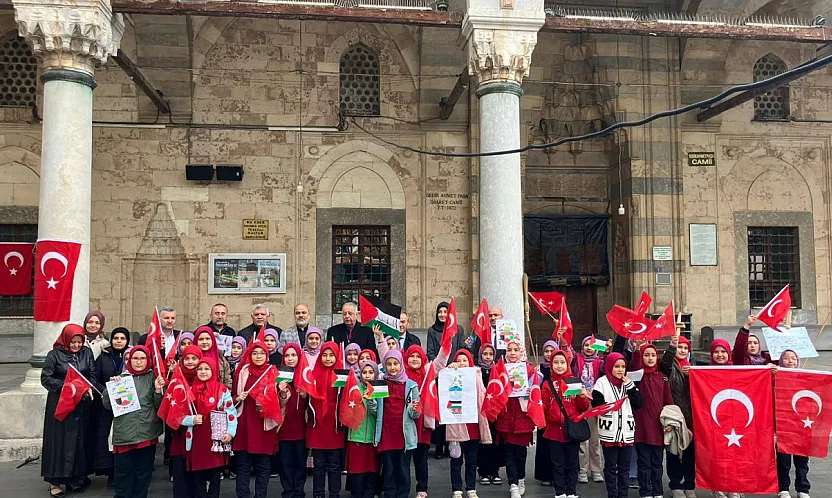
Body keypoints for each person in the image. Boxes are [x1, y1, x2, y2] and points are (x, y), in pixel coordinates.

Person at [42, 324, 99, 496]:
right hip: (61, 405)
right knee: (59, 442)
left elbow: (92, 374)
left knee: (79, 441)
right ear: (66, 340)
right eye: (73, 342)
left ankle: (76, 477)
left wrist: (85, 387)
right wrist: (67, 387)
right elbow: (46, 378)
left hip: (81, 404)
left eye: (79, 342)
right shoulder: (54, 355)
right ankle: (55, 480)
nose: (76, 345)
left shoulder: (86, 353)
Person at [102, 345, 165, 498]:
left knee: (142, 477)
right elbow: (107, 405)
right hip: (124, 436)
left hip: (147, 434)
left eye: (142, 358)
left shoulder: (153, 378)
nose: (139, 362)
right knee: (123, 478)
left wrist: (158, 390)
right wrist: (110, 388)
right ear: (129, 360)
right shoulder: (122, 379)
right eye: (135, 358)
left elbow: (160, 407)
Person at [233, 340, 283, 498]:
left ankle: (260, 495)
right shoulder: (242, 371)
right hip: (244, 425)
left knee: (263, 466)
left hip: (264, 425)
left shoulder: (273, 372)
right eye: (255, 353)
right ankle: (243, 495)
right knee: (243, 465)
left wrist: (279, 393)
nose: (258, 356)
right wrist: (237, 397)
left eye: (262, 353)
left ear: (267, 356)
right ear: (250, 355)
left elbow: (281, 400)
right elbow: (231, 397)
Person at [182, 357, 238, 498]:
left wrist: (230, 433)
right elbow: (179, 414)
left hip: (214, 439)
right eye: (200, 369)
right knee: (198, 475)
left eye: (207, 369)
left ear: (213, 371)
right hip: (197, 439)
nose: (203, 371)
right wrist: (191, 419)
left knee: (214, 475)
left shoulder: (222, 390)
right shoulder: (189, 390)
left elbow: (231, 413)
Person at [541, 349, 592, 498]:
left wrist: (583, 397)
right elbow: (543, 406)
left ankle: (571, 491)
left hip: (572, 430)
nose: (559, 366)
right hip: (554, 431)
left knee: (572, 463)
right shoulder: (547, 384)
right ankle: (560, 492)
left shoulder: (574, 381)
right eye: (555, 362)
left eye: (562, 362)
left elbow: (582, 408)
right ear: (551, 365)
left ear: (568, 364)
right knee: (557, 464)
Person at [592, 352, 643, 498]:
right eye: (616, 366)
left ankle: (623, 494)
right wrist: (609, 406)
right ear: (609, 367)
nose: (620, 370)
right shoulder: (601, 383)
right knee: (610, 467)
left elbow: (638, 403)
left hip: (626, 432)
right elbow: (596, 404)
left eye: (623, 367)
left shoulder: (629, 383)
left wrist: (631, 387)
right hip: (609, 432)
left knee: (624, 468)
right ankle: (612, 494)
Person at [444, 349, 492, 498]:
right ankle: (456, 489)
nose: (462, 363)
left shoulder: (476, 376)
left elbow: (482, 395)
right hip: (456, 426)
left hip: (473, 427)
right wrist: (448, 371)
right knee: (456, 460)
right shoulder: (449, 375)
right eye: (459, 360)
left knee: (472, 460)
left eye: (465, 360)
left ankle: (471, 488)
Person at [631, 343, 674, 498]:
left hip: (658, 427)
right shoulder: (636, 377)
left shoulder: (662, 377)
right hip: (641, 426)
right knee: (644, 464)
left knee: (657, 463)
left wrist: (669, 421)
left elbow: (668, 402)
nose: (650, 358)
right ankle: (646, 492)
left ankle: (658, 491)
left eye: (653, 355)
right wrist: (636, 349)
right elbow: (634, 363)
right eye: (646, 355)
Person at [376, 349, 420, 498]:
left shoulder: (411, 386)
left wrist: (414, 409)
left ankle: (402, 494)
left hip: (403, 435)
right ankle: (389, 494)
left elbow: (415, 414)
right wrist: (370, 402)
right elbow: (376, 409)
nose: (393, 367)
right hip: (387, 433)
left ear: (401, 364)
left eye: (395, 364)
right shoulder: (381, 384)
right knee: (389, 469)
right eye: (389, 364)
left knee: (403, 468)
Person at [495, 340, 537, 498]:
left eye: (516, 350)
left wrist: (528, 391)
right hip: (506, 418)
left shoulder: (529, 370)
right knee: (508, 454)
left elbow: (535, 392)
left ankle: (520, 479)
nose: (512, 353)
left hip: (522, 419)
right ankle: (513, 484)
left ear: (522, 352)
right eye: (509, 350)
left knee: (520, 453)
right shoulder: (500, 369)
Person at [92, 327, 131, 485]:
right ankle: (110, 472)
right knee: (107, 436)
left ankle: (124, 471)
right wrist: (107, 390)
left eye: (122, 338)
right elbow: (94, 377)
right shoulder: (103, 357)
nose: (119, 341)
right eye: (116, 338)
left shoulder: (132, 356)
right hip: (107, 404)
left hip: (127, 405)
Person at [307, 342, 345, 498]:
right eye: (325, 355)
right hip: (318, 426)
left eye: (331, 355)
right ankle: (318, 494)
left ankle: (334, 494)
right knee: (318, 465)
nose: (328, 359)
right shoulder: (312, 374)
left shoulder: (342, 375)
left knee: (335, 465)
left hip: (334, 426)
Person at [661, 331, 695, 498]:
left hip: (691, 418)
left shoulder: (692, 367)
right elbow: (665, 364)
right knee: (673, 452)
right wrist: (671, 347)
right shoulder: (669, 366)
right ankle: (675, 485)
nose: (682, 350)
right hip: (675, 416)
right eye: (680, 347)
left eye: (685, 348)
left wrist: (693, 376)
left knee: (690, 455)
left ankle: (689, 485)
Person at [169, 345, 203, 498]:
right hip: (180, 436)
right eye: (187, 358)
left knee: (199, 480)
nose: (190, 362)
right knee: (181, 478)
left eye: (194, 359)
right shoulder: (176, 378)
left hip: (200, 435)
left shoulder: (205, 377)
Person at [776, 350, 810, 498]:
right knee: (783, 461)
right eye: (786, 358)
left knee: (802, 461)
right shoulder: (776, 378)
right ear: (780, 360)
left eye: (794, 358)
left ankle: (802, 489)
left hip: (801, 427)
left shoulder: (806, 379)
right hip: (783, 426)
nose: (790, 361)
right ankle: (783, 488)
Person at [278, 343, 308, 498]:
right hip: (283, 428)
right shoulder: (278, 375)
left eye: (293, 355)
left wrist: (305, 396)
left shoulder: (305, 375)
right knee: (285, 463)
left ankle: (299, 491)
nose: (290, 359)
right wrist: (278, 390)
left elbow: (313, 402)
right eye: (287, 355)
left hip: (301, 428)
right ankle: (288, 491)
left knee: (300, 463)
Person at [346, 361, 380, 498]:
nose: (367, 376)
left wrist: (371, 401)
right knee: (357, 472)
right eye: (364, 372)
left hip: (372, 438)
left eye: (371, 373)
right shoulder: (354, 388)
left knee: (371, 471)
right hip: (356, 437)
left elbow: (379, 413)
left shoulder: (379, 390)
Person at [403, 345, 434, 498]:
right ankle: (404, 487)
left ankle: (422, 488)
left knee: (421, 460)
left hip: (422, 425)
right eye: (411, 356)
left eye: (417, 356)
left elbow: (440, 361)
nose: (414, 359)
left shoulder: (428, 373)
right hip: (407, 423)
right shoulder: (401, 375)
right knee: (404, 460)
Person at [575, 335, 604, 484]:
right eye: (586, 345)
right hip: (580, 401)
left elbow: (609, 368)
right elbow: (566, 351)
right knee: (582, 439)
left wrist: (605, 349)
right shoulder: (576, 359)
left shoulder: (600, 362)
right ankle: (582, 470)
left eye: (592, 345)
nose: (588, 348)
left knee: (594, 438)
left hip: (594, 402)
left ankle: (596, 469)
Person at [476, 343, 504, 486]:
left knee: (495, 441)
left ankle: (495, 471)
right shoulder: (476, 371)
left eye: (490, 354)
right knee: (483, 442)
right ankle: (483, 471)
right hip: (481, 411)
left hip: (495, 411)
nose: (487, 357)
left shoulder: (497, 370)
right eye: (485, 354)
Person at [534, 340, 558, 487]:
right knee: (544, 443)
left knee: (557, 445)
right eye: (546, 351)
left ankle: (558, 474)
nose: (549, 354)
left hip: (557, 411)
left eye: (551, 351)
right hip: (543, 410)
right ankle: (545, 474)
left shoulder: (560, 366)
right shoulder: (540, 369)